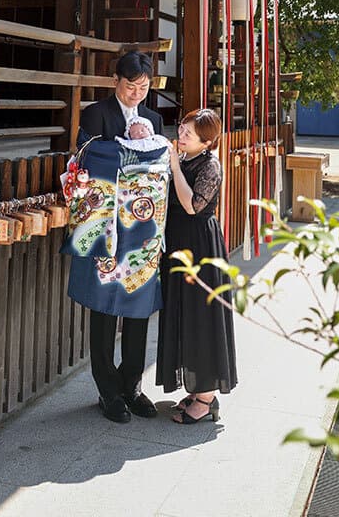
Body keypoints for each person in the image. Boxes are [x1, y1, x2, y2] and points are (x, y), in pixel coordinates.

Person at [77, 50, 164, 424]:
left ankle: (132, 386)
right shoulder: (96, 114)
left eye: (143, 87)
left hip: (141, 230)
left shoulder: (156, 119)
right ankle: (107, 391)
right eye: (131, 86)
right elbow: (85, 156)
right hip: (105, 225)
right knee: (102, 308)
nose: (136, 94)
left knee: (137, 308)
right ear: (116, 81)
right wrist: (126, 157)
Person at [156, 108, 238, 424]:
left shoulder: (210, 165)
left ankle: (206, 398)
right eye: (182, 127)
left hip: (200, 248)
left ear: (206, 142)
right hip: (177, 244)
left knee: (202, 317)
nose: (182, 133)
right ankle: (195, 390)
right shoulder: (187, 159)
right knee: (182, 313)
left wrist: (174, 165)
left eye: (189, 132)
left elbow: (192, 206)